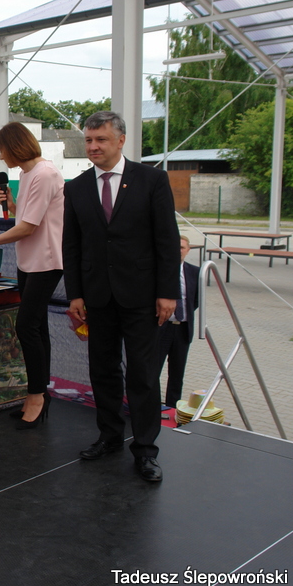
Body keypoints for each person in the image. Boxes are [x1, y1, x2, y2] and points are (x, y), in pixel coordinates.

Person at [62, 111, 180, 483]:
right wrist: (75, 294)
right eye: (89, 140)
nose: (93, 146)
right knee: (103, 370)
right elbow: (72, 245)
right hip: (97, 297)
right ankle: (110, 436)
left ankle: (145, 450)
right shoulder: (76, 187)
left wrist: (168, 293)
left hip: (143, 297)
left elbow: (167, 239)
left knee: (143, 375)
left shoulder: (152, 180)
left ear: (121, 140)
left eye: (101, 139)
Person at [0, 122, 64, 430]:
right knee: (36, 326)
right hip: (28, 261)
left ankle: (35, 396)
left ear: (15, 146)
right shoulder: (27, 174)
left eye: (2, 150)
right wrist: (11, 203)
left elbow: (28, 227)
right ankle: (40, 392)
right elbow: (28, 215)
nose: (1, 156)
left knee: (26, 327)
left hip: (47, 261)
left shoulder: (45, 174)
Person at [157, 236, 200, 408]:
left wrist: (182, 314)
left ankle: (172, 407)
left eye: (182, 247)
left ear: (188, 250)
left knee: (177, 373)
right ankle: (152, 406)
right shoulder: (160, 271)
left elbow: (195, 300)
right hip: (162, 327)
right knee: (153, 370)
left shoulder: (195, 272)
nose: (178, 251)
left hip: (182, 329)